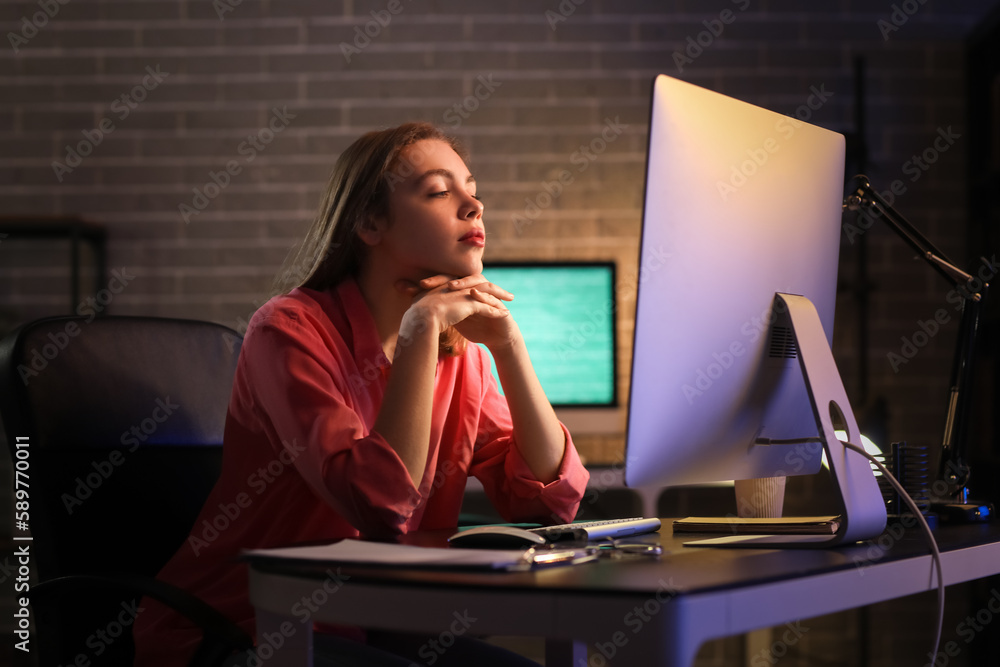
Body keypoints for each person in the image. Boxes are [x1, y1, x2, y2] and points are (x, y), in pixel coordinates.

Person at [133, 122, 590, 665]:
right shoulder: (287, 330)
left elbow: (548, 499)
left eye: (472, 187)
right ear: (370, 222)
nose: (475, 205)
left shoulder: (459, 349)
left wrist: (509, 345)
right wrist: (420, 330)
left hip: (372, 622)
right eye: (441, 191)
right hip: (246, 627)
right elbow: (379, 502)